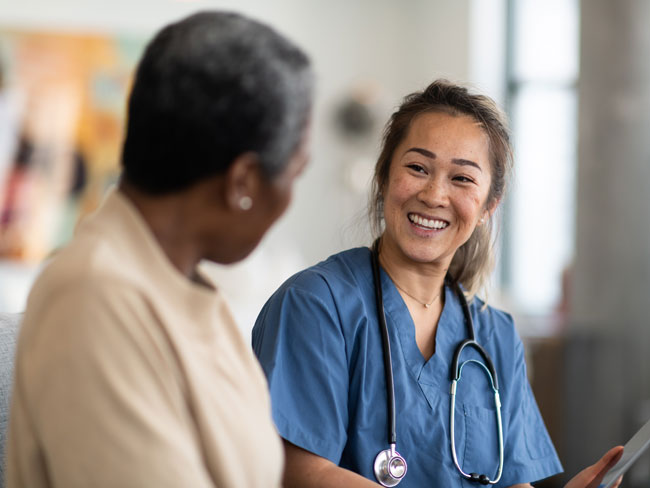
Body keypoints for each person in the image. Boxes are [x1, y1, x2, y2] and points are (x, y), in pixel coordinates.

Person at [252, 80, 622, 487]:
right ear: (384, 177)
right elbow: (302, 472)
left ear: (487, 206)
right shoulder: (315, 305)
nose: (433, 195)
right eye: (417, 168)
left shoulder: (494, 335)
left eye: (462, 178)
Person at [7, 11, 312, 488]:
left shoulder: (186, 288)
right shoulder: (94, 298)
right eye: (294, 174)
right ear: (244, 183)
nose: (291, 198)